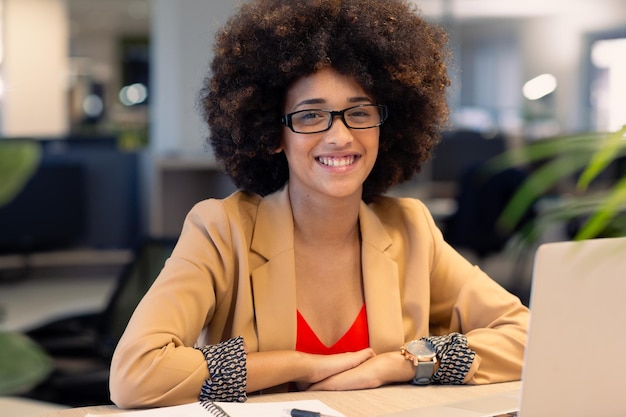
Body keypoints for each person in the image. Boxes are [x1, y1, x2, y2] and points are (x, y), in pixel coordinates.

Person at [110, 0, 529, 408]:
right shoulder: (221, 229)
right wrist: (299, 366)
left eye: (359, 113)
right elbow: (137, 373)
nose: (341, 137)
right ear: (274, 134)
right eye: (311, 116)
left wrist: (401, 364)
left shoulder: (410, 229)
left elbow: (530, 336)